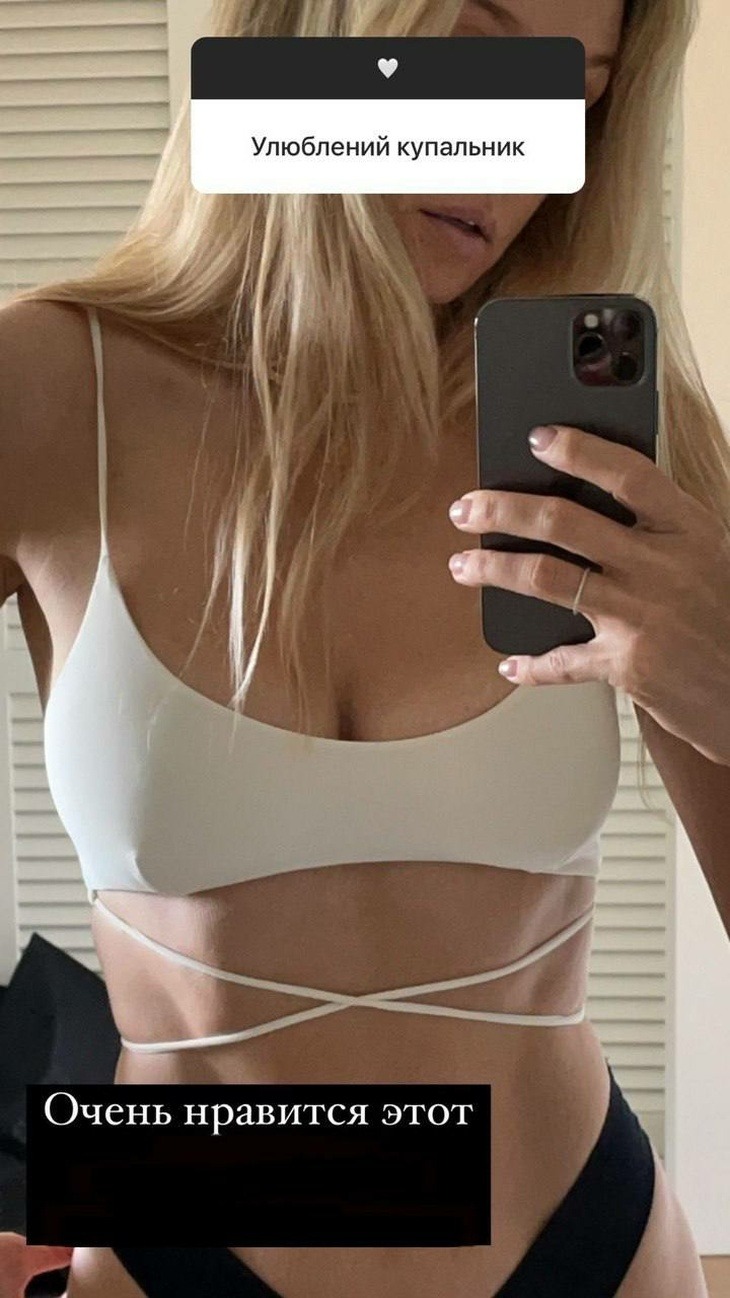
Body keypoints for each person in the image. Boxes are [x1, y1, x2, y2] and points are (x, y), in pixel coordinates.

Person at [1, 0, 729, 1294]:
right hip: (175, 1247)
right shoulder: (48, 389)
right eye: (473, 53)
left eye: (574, 92)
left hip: (580, 1246)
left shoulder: (614, 429)